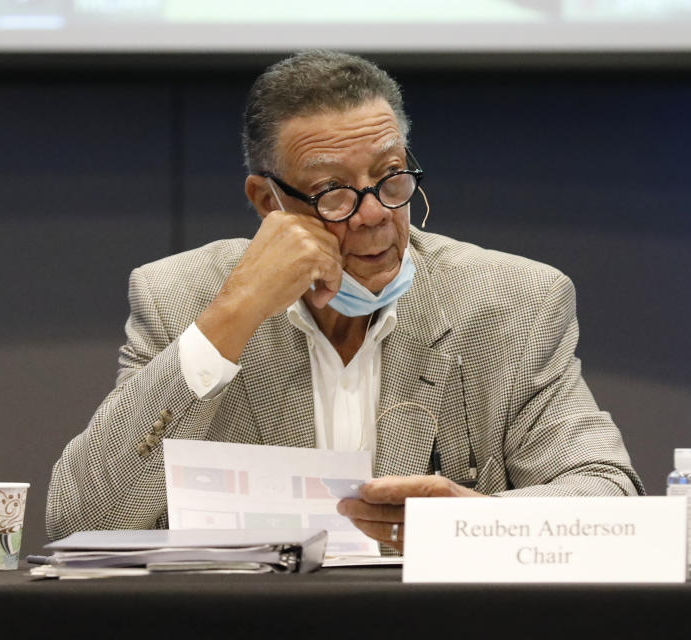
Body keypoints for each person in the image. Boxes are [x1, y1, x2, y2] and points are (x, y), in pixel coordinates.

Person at [46, 50, 644, 553]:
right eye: (334, 192)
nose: (376, 214)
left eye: (392, 177)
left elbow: (607, 494)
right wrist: (232, 318)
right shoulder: (180, 296)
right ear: (266, 201)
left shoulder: (512, 300)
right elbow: (82, 523)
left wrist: (472, 520)